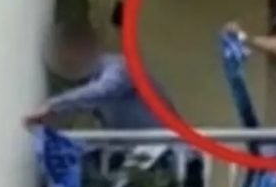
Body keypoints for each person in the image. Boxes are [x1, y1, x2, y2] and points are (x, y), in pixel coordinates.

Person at [23, 21, 171, 129]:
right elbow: (89, 101)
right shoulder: (92, 85)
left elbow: (106, 90)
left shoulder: (120, 66)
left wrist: (54, 105)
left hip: (167, 145)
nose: (69, 61)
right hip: (142, 150)